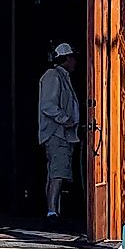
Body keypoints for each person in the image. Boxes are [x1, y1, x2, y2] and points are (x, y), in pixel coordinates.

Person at [37, 42, 81, 224]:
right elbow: (48, 105)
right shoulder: (52, 76)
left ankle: (55, 210)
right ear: (66, 59)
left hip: (65, 134)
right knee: (57, 173)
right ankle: (52, 211)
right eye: (72, 58)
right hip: (57, 134)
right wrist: (65, 119)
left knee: (58, 172)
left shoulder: (64, 77)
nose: (75, 62)